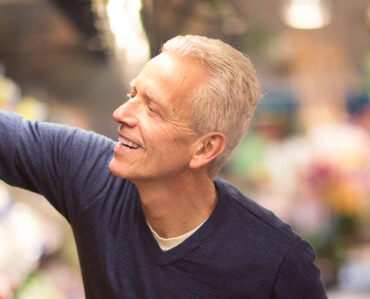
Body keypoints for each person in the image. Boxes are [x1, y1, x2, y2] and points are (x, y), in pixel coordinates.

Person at [0, 35, 327, 298]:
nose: (121, 113)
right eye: (132, 94)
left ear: (205, 148)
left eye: (152, 108)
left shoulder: (276, 262)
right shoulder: (89, 173)